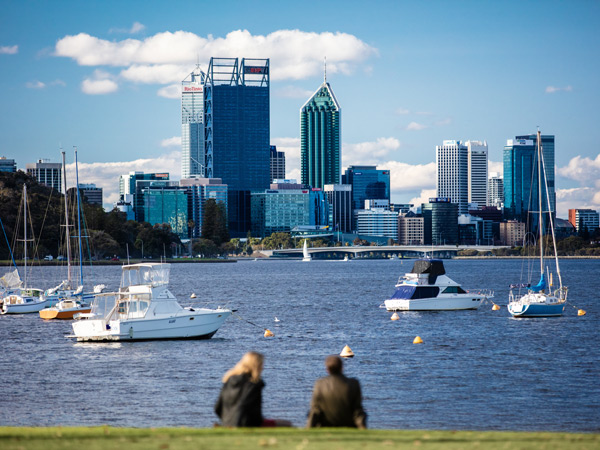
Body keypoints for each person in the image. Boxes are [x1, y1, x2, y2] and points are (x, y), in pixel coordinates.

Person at [214, 352, 291, 427]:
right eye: (261, 364)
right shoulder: (254, 384)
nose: (263, 367)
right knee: (287, 424)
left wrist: (227, 422)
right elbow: (253, 411)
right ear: (256, 366)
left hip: (227, 423)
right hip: (247, 423)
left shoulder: (229, 380)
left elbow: (217, 408)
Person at [306, 355, 367, 428]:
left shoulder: (320, 384)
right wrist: (362, 427)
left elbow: (315, 410)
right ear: (342, 368)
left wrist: (309, 427)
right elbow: (357, 410)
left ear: (327, 369)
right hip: (348, 425)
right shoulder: (354, 384)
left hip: (325, 425)